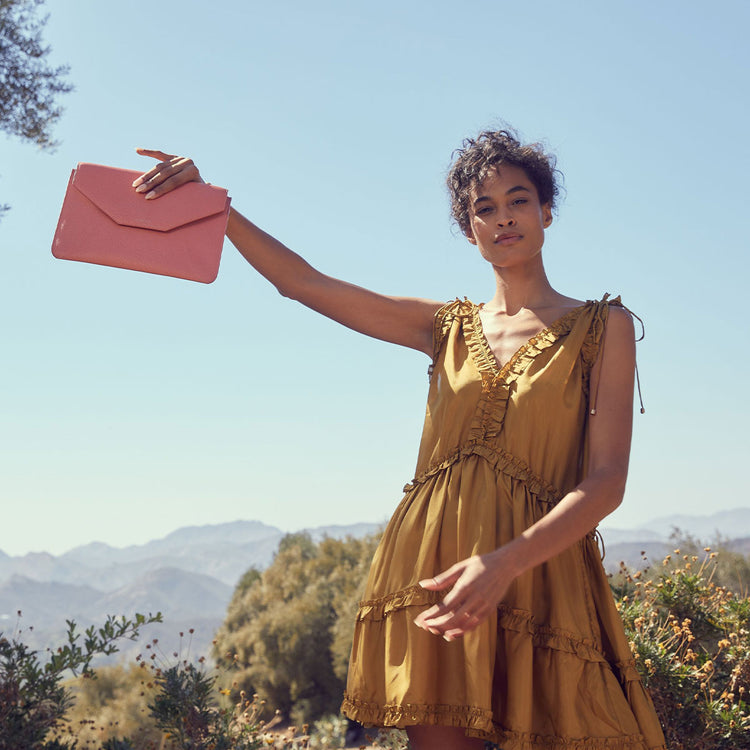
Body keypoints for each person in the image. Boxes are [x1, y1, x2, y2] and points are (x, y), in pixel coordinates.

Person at [133, 130, 666, 750]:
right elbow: (305, 284)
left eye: (518, 200)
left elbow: (607, 481)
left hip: (541, 571)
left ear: (547, 211)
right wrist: (215, 208)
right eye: (483, 208)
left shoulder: (605, 328)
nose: (503, 218)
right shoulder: (445, 326)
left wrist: (505, 563)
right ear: (470, 231)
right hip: (434, 567)